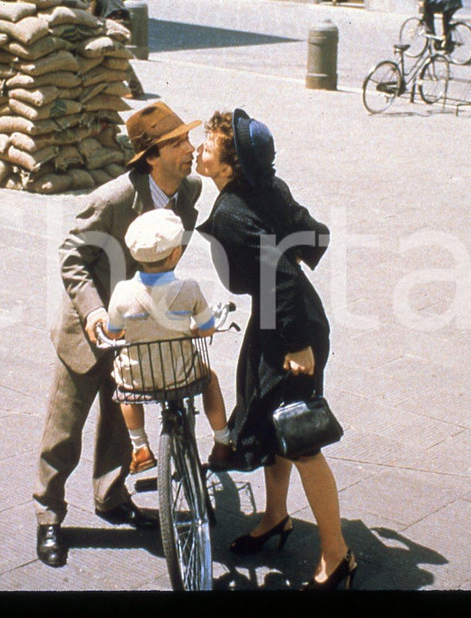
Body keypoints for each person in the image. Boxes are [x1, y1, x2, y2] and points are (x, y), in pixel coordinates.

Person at [33, 102, 204, 568]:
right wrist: (91, 313)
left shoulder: (190, 190)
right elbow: (72, 257)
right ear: (151, 157)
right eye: (178, 143)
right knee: (64, 428)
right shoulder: (111, 200)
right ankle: (48, 514)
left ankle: (111, 497)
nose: (190, 149)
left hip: (139, 327)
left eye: (188, 140)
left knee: (119, 416)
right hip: (88, 330)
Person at [195, 108, 356, 591]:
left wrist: (299, 345)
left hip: (290, 328)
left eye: (208, 146)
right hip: (284, 321)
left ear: (230, 166)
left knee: (303, 439)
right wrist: (298, 246)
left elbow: (280, 278)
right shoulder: (269, 186)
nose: (200, 149)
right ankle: (275, 517)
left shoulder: (232, 214)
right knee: (272, 421)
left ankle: (337, 555)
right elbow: (315, 232)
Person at [106, 209, 232, 474]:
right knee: (210, 379)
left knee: (123, 387)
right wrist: (193, 330)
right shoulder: (189, 288)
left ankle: (140, 447)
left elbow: (114, 333)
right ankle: (222, 441)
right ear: (175, 254)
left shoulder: (122, 292)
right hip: (181, 372)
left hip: (139, 376)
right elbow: (207, 328)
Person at [87, 0, 146, 99]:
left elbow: (92, 15)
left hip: (114, 23)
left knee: (116, 57)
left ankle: (136, 88)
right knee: (116, 55)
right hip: (125, 21)